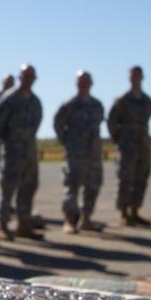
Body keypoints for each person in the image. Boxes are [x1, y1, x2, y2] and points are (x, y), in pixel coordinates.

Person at [0, 64, 43, 240]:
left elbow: (36, 124)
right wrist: (8, 141)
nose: (28, 79)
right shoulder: (10, 98)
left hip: (29, 152)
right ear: (19, 77)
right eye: (25, 75)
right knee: (8, 188)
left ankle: (23, 224)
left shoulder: (35, 102)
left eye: (31, 75)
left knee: (28, 187)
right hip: (12, 151)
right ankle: (2, 225)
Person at [54, 70, 105, 233]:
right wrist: (67, 142)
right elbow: (58, 124)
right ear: (76, 83)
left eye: (86, 81)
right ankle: (69, 220)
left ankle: (86, 219)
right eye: (80, 81)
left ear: (91, 83)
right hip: (75, 154)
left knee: (93, 186)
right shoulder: (69, 104)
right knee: (72, 186)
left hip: (94, 153)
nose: (83, 84)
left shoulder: (97, 105)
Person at [108, 65, 151, 227]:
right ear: (129, 78)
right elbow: (112, 122)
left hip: (143, 146)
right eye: (132, 76)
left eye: (138, 75)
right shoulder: (122, 100)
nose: (135, 78)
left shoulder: (147, 101)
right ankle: (123, 212)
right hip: (127, 146)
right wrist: (118, 140)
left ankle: (135, 210)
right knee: (125, 179)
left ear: (142, 78)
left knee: (141, 178)